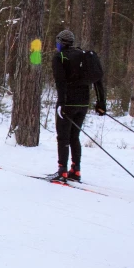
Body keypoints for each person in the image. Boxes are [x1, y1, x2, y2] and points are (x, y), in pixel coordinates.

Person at [51, 29, 106, 182]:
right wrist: (101, 103)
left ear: (61, 42)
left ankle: (62, 170)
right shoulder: (84, 55)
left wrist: (61, 103)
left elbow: (60, 82)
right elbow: (98, 79)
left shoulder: (60, 57)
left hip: (68, 102)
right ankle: (75, 170)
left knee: (63, 137)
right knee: (74, 136)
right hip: (83, 103)